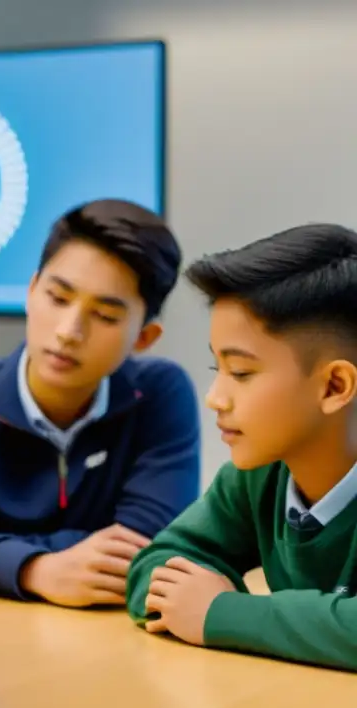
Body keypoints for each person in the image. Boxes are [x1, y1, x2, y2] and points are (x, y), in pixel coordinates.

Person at [0, 199, 200, 607]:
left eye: (106, 316)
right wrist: (36, 569)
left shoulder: (161, 395)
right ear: (31, 291)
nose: (69, 331)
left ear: (143, 338)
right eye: (58, 298)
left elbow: (144, 549)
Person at [126, 223, 357, 671]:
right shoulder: (259, 473)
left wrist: (223, 614)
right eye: (218, 367)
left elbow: (208, 610)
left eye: (242, 373)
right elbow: (154, 566)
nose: (215, 397)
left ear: (334, 385)